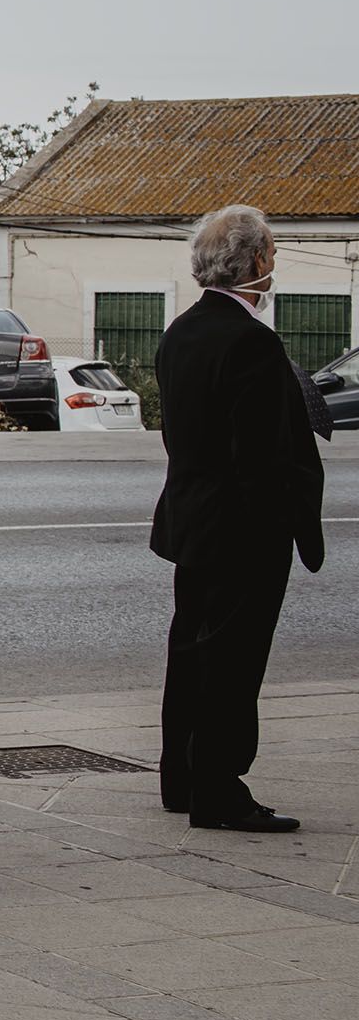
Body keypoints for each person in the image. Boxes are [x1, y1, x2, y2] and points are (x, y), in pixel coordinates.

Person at [152, 205, 329, 834]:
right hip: (242, 530)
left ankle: (181, 776)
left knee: (189, 650)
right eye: (272, 254)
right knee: (232, 659)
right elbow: (260, 455)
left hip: (191, 521)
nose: (274, 264)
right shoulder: (252, 340)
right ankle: (220, 789)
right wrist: (282, 524)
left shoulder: (180, 332)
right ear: (253, 263)